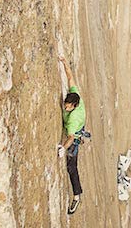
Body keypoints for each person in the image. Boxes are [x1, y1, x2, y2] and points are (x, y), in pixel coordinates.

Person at [57, 56, 86, 215]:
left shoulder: (73, 119)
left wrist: (63, 148)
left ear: (74, 106)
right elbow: (70, 77)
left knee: (71, 166)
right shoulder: (74, 94)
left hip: (75, 133)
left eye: (67, 107)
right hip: (78, 128)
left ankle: (77, 195)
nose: (65, 108)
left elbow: (71, 138)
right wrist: (64, 62)